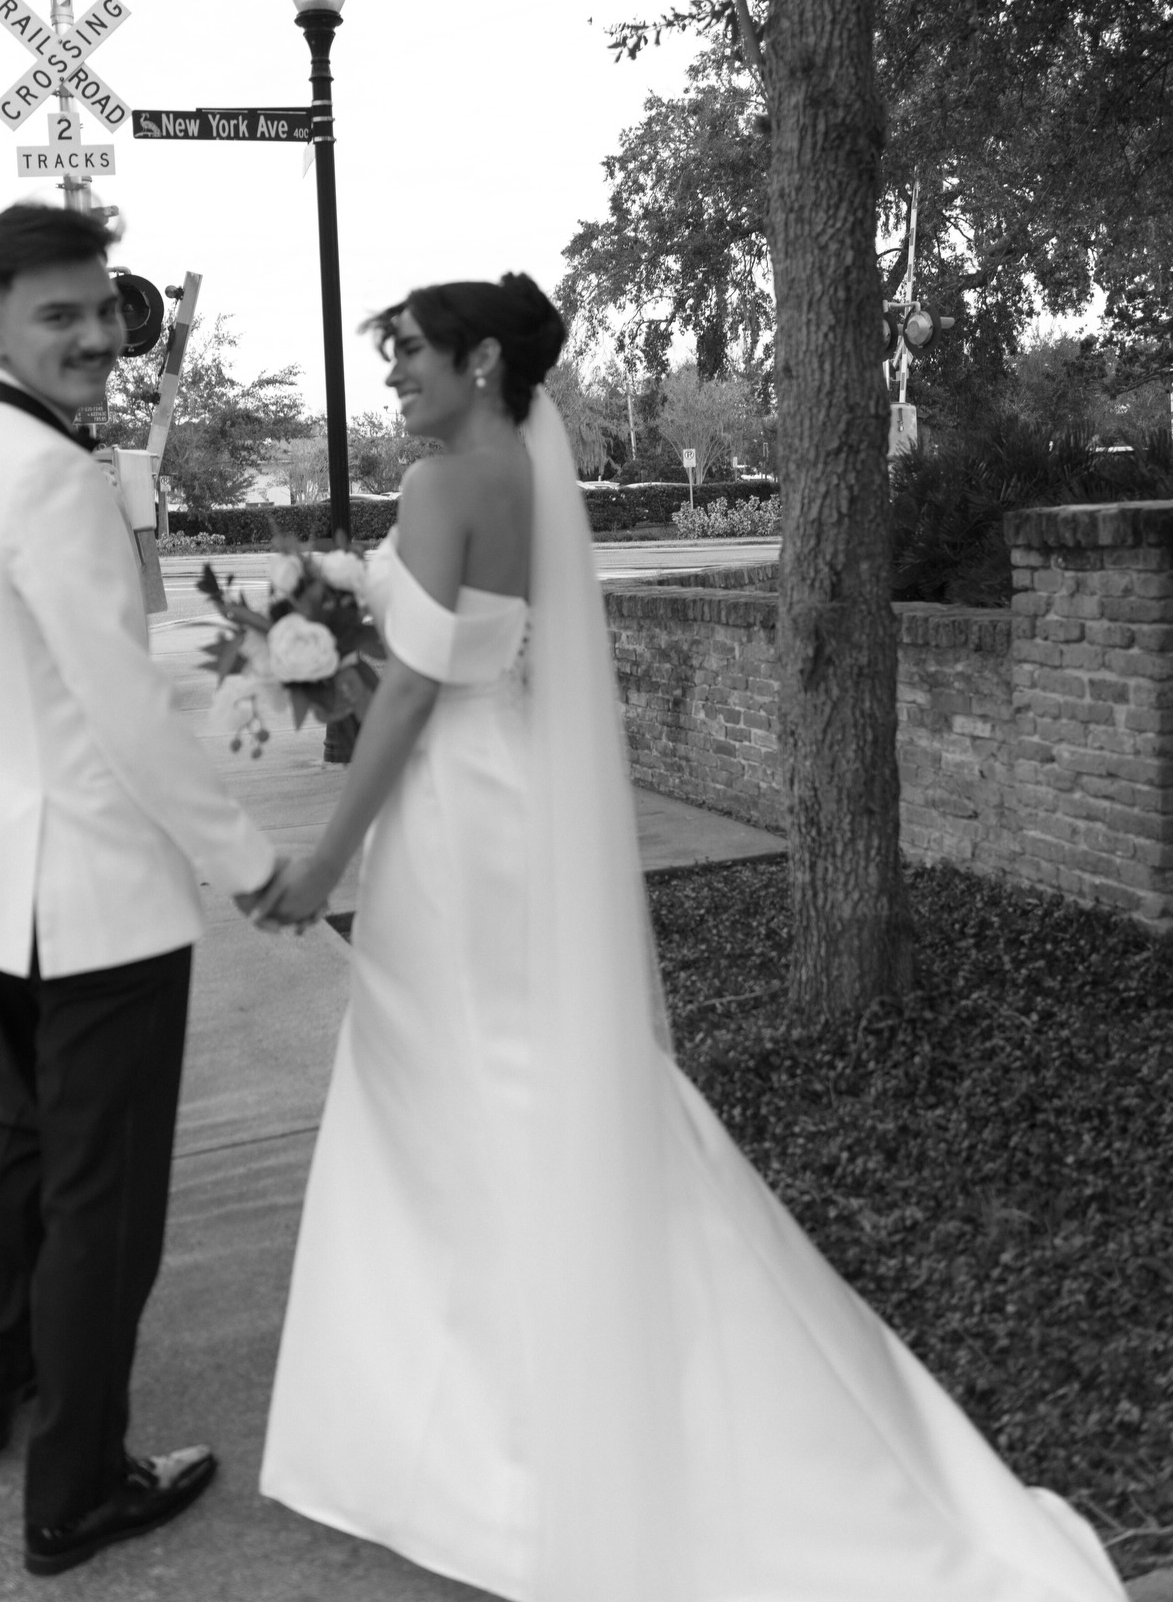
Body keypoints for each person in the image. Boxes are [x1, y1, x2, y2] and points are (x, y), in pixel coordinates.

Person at [247, 276, 1125, 1602]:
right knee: (521, 1085)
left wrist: (322, 854)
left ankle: (490, 1435)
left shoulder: (439, 485)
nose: (397, 378)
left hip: (452, 823)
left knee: (459, 1090)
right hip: (511, 800)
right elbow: (462, 655)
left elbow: (418, 691)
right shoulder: (523, 476)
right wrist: (333, 657)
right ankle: (513, 1399)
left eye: (413, 354)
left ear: (483, 360)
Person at [0, 203, 280, 1579]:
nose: (96, 338)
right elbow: (122, 707)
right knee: (100, 1204)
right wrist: (250, 861)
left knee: (24, 1140)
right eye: (58, 315)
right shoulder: (49, 478)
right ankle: (75, 1491)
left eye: (103, 309)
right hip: (91, 907)